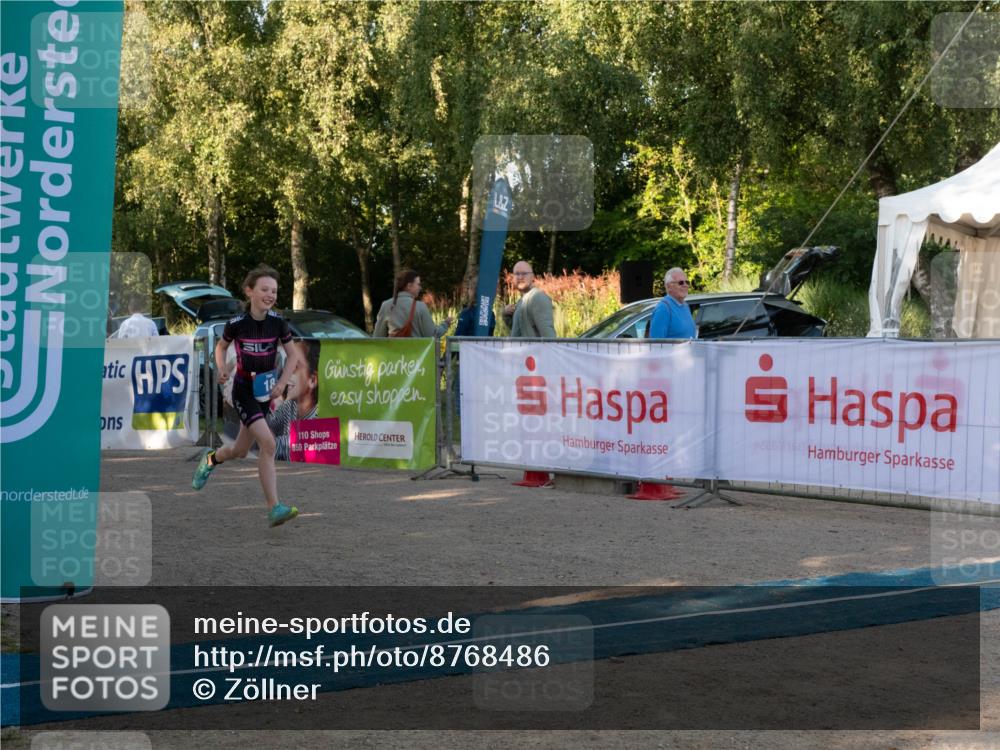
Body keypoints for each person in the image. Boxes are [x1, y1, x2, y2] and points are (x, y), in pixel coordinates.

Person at [191, 264, 304, 527]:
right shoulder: (236, 324)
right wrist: (221, 369)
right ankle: (274, 507)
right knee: (268, 444)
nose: (270, 295)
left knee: (241, 451)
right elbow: (221, 347)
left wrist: (282, 384)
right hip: (243, 390)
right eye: (264, 289)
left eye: (274, 291)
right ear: (249, 291)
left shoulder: (278, 323)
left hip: (265, 393)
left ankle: (211, 458)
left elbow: (294, 356)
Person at [268, 339, 320, 461]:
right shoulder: (290, 405)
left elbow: (272, 448)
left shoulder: (319, 417)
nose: (287, 372)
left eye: (295, 367)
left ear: (312, 380)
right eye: (287, 365)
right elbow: (268, 425)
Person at [373, 269, 452, 338]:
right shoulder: (420, 307)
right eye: (418, 284)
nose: (420, 288)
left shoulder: (386, 305)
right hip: (417, 355)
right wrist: (445, 324)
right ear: (409, 286)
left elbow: (377, 336)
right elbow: (432, 334)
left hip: (392, 354)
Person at [503, 261, 556, 338]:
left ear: (532, 277)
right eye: (517, 274)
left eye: (524, 273)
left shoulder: (537, 297)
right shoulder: (522, 300)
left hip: (533, 350)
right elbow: (520, 330)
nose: (520, 277)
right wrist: (506, 314)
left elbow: (549, 337)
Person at [648, 267, 697, 339]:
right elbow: (656, 345)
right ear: (669, 286)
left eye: (687, 282)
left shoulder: (685, 305)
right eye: (681, 283)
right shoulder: (663, 309)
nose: (685, 285)